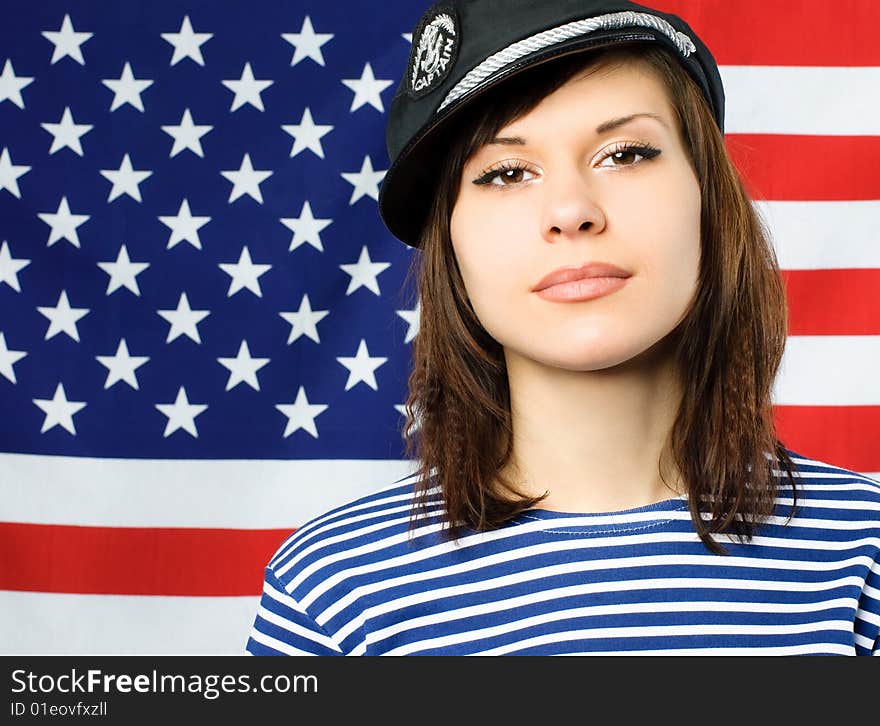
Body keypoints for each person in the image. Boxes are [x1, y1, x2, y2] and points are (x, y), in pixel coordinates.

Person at [246, 0, 880, 655]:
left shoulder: (866, 549)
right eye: (506, 172)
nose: (571, 211)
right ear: (451, 246)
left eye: (625, 153)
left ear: (708, 200)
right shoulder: (334, 590)